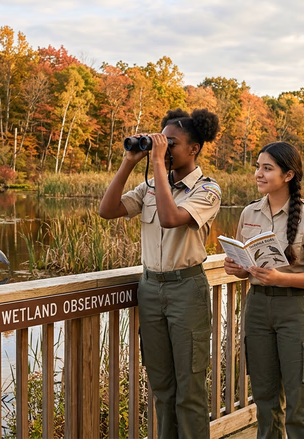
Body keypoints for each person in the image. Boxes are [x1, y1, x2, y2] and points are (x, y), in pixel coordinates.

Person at [99, 108, 221, 439]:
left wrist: (156, 162)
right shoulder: (151, 185)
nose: (163, 149)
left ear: (193, 149)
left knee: (190, 392)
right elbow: (107, 210)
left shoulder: (208, 190)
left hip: (187, 290)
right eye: (160, 142)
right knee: (163, 389)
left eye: (171, 143)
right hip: (151, 289)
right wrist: (129, 161)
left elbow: (170, 218)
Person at [224, 142, 304, 439]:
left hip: (296, 310)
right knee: (265, 397)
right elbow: (243, 261)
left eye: (267, 168)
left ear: (288, 175)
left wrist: (279, 278)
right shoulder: (248, 213)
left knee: (300, 401)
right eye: (258, 167)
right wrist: (236, 268)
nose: (258, 174)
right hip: (257, 308)